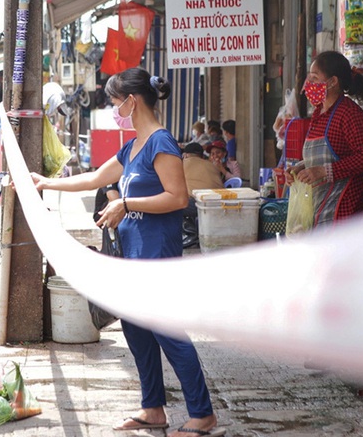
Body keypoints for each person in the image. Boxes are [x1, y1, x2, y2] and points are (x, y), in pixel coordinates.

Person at [31, 68, 225, 437]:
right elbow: (93, 178)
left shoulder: (161, 143)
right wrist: (45, 182)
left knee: (169, 333)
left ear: (133, 101)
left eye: (116, 102)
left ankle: (203, 415)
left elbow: (178, 198)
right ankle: (153, 409)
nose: (114, 108)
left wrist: (127, 203)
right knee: (136, 332)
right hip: (132, 257)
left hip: (156, 257)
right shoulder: (132, 145)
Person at [285, 50, 363, 227]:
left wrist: (323, 172)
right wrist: (299, 169)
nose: (308, 84)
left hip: (344, 208)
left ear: (333, 82)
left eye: (314, 78)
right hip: (320, 203)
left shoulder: (349, 113)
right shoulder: (318, 113)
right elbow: (319, 157)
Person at [182, 142, 223, 249]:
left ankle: (191, 233)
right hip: (220, 204)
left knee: (173, 203)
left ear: (185, 155)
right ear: (201, 155)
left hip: (199, 205)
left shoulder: (181, 164)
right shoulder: (211, 165)